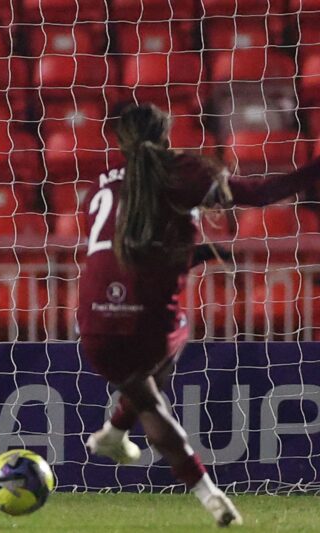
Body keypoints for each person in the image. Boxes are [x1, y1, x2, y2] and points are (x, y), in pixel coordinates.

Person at [79, 103, 320, 527]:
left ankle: (120, 436)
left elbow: (132, 257)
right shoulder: (181, 173)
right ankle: (122, 435)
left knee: (144, 393)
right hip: (150, 325)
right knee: (170, 345)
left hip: (93, 323)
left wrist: (198, 254)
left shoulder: (100, 187)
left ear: (120, 142)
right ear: (166, 136)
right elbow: (261, 195)